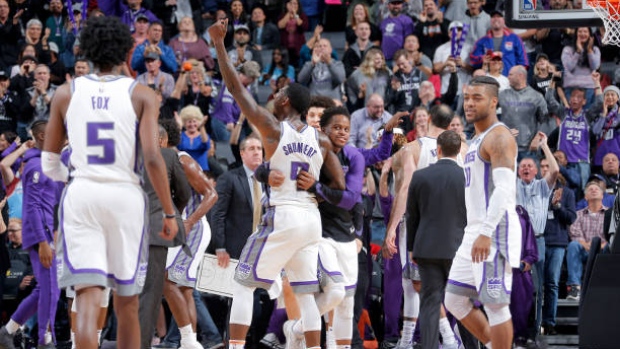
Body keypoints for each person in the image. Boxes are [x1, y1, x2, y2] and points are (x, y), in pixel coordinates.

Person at [41, 16, 179, 349]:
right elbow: (151, 157)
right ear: (124, 52)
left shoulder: (65, 92)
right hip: (124, 196)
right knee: (127, 300)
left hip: (82, 195)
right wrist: (170, 213)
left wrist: (72, 178)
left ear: (86, 50)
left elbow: (49, 163)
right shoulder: (142, 93)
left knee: (89, 296)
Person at [208, 18, 345, 349]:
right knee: (307, 294)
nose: (274, 94)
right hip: (311, 219)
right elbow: (340, 188)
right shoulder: (323, 140)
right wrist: (315, 188)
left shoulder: (272, 128)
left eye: (278, 92)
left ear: (285, 101)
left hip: (282, 213)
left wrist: (219, 45)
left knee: (242, 283)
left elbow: (237, 90)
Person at [444, 76, 520, 349]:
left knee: (496, 303)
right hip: (474, 229)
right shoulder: (476, 139)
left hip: (495, 227)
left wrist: (486, 232)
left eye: (477, 98)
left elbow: (504, 189)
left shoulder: (499, 137)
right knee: (453, 299)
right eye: (467, 98)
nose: (470, 103)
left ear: (494, 102)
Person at [0, 121, 61, 349]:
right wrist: (43, 242)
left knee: (43, 288)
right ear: (44, 135)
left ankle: (8, 331)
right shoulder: (35, 166)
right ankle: (45, 341)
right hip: (40, 236)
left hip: (49, 233)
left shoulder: (49, 163)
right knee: (51, 290)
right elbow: (33, 207)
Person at [406, 130, 466, 349]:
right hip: (458, 249)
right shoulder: (467, 176)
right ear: (459, 150)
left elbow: (412, 215)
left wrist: (411, 247)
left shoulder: (420, 176)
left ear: (438, 150)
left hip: (426, 249)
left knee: (430, 303)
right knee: (463, 302)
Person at [139, 120, 192, 349]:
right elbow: (184, 193)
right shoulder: (169, 156)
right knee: (155, 289)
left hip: (129, 231)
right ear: (162, 141)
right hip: (159, 229)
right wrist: (172, 212)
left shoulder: (127, 159)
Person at [566, 180, 608, 301]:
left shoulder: (610, 214)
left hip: (603, 250)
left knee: (610, 246)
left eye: (597, 189)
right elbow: (575, 234)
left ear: (602, 195)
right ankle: (575, 288)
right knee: (573, 245)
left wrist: (599, 245)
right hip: (583, 249)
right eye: (590, 189)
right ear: (585, 197)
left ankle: (605, 286)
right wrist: (586, 245)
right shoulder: (577, 215)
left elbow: (613, 235)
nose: (594, 190)